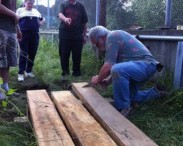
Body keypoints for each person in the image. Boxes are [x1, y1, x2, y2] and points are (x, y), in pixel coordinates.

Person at [88, 26, 164, 117]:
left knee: (118, 72)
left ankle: (123, 108)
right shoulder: (115, 39)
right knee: (127, 96)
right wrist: (107, 82)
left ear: (101, 37)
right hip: (144, 66)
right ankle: (156, 92)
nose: (97, 47)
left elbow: (109, 66)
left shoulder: (112, 36)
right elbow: (120, 68)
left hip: (146, 65)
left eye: (96, 44)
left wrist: (97, 79)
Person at [16, 0, 45, 81]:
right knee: (24, 53)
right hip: (23, 35)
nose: (30, 4)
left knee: (32, 53)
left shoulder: (36, 11)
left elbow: (42, 19)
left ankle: (29, 71)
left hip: (34, 35)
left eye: (32, 3)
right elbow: (16, 21)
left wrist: (40, 23)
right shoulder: (20, 10)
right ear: (25, 3)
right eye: (28, 3)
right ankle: (21, 73)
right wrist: (18, 32)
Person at [58, 0, 88, 77]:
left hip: (77, 35)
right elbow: (60, 14)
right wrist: (65, 19)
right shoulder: (63, 4)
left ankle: (76, 73)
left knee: (77, 55)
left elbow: (84, 22)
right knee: (64, 54)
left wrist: (85, 35)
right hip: (65, 34)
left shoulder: (81, 6)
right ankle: (65, 73)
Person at [0, 0, 22, 99]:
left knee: (8, 61)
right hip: (1, 29)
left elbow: (13, 15)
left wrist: (18, 29)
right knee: (0, 60)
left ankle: (5, 87)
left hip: (11, 30)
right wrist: (14, 14)